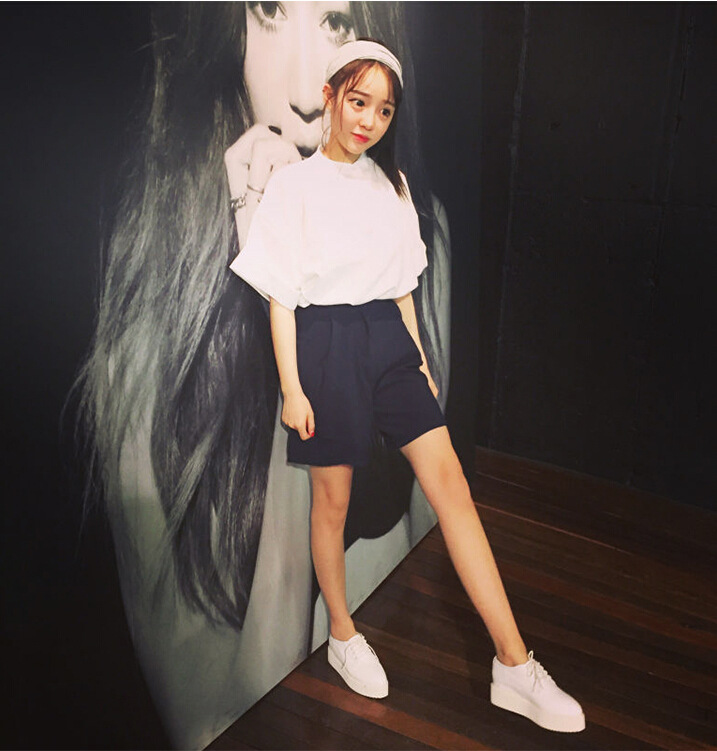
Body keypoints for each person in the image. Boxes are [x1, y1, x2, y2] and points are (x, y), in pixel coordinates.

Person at [77, 4, 450, 748]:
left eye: (336, 23)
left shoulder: (417, 234)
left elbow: (418, 582)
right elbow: (210, 725)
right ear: (229, 31)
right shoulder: (152, 308)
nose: (308, 91)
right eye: (271, 10)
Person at [229, 38, 586, 734]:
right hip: (325, 343)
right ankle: (341, 633)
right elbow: (280, 298)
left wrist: (418, 359)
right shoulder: (293, 186)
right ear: (330, 98)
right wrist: (292, 388)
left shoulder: (389, 185)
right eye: (357, 101)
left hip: (388, 344)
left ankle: (514, 664)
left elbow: (401, 289)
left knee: (451, 487)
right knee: (332, 501)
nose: (368, 120)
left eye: (383, 110)